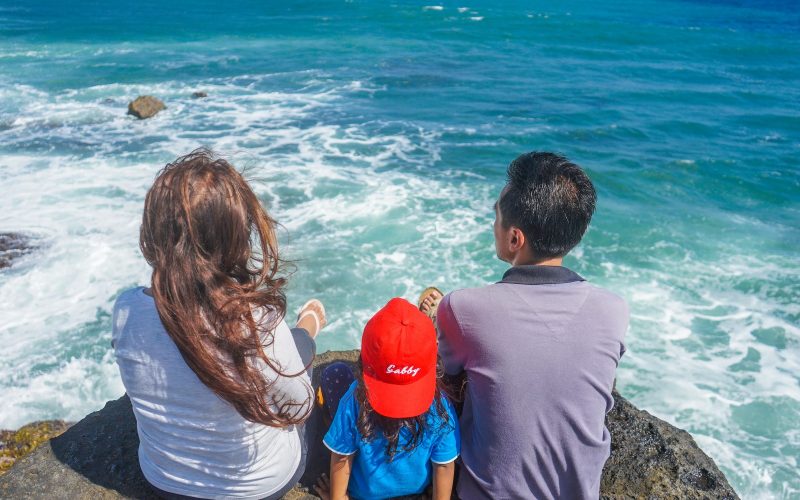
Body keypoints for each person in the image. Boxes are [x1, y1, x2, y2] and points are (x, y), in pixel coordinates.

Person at [112, 149, 326, 499]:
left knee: (295, 346)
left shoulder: (127, 309)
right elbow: (298, 407)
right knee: (306, 360)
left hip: (164, 481)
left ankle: (305, 331)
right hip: (258, 487)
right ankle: (308, 327)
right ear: (235, 237)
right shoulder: (256, 322)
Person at [422, 152, 629, 499]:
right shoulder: (614, 310)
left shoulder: (462, 307)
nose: (494, 225)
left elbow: (449, 375)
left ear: (515, 239)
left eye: (497, 217)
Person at [313, 298, 460, 500]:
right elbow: (444, 465)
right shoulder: (440, 403)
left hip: (362, 493)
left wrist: (337, 497)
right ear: (434, 363)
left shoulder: (356, 397)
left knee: (335, 373)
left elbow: (342, 457)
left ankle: (331, 427)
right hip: (416, 489)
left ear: (364, 360)